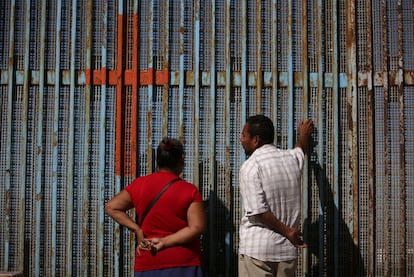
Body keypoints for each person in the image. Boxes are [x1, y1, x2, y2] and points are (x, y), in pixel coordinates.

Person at [105, 137, 206, 277]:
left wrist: (137, 229)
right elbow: (197, 227)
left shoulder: (139, 185)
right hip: (183, 263)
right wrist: (164, 241)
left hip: (148, 262)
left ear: (157, 160)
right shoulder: (189, 190)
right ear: (181, 159)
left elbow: (112, 207)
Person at [238, 115, 314, 277]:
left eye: (244, 135)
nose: (241, 139)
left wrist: (287, 231)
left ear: (256, 140)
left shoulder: (251, 166)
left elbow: (258, 211)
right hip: (286, 252)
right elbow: (301, 149)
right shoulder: (291, 159)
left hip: (257, 251)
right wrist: (303, 136)